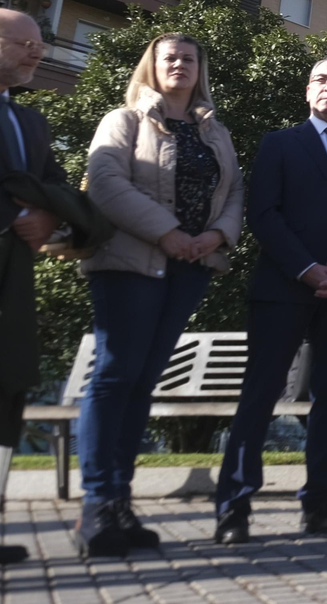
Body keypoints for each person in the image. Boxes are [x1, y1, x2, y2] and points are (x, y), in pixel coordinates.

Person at [213, 56, 327, 544]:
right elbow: (263, 213)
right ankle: (234, 506)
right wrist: (308, 269)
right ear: (307, 90)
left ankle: (320, 503)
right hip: (284, 288)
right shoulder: (279, 143)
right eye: (320, 79)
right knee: (260, 395)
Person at [78, 34, 243, 556]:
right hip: (130, 264)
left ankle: (121, 501)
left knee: (143, 381)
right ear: (151, 65)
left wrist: (217, 236)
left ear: (200, 69)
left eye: (189, 58)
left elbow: (235, 190)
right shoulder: (123, 121)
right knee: (115, 376)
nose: (179, 65)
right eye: (169, 57)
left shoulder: (215, 131)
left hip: (190, 268)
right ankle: (98, 504)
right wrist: (167, 231)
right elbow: (106, 183)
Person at [0, 9, 75, 566]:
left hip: (8, 288)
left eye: (42, 44)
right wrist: (11, 216)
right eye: (25, 44)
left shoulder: (30, 122)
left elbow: (57, 187)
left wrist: (51, 220)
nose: (38, 53)